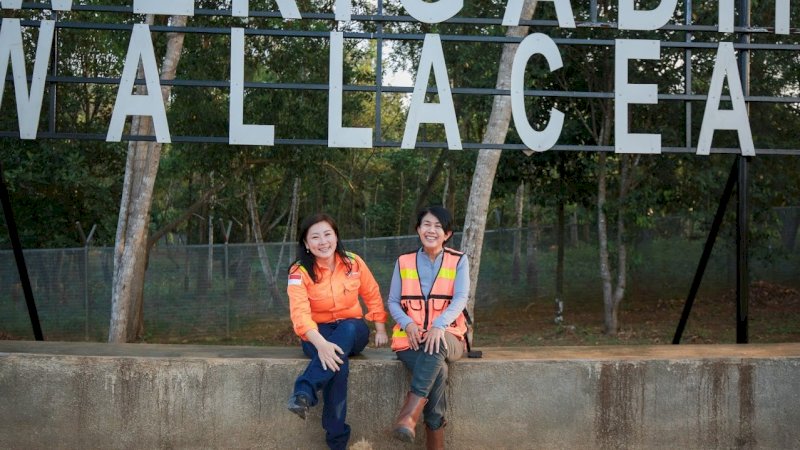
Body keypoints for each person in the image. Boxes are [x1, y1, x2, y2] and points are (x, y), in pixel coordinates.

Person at [286, 213, 388, 450]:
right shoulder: (298, 271)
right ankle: (337, 443)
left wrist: (380, 327)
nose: (323, 241)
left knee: (349, 328)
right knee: (337, 365)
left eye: (327, 234)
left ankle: (304, 390)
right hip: (315, 334)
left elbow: (371, 293)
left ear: (336, 236)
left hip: (354, 330)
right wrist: (321, 344)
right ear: (306, 243)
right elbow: (300, 313)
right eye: (315, 237)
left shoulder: (353, 262)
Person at [388, 206, 469, 449]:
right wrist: (408, 323)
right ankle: (432, 440)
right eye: (426, 224)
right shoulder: (404, 261)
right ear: (418, 230)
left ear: (447, 234)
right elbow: (392, 301)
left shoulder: (459, 260)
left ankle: (409, 415)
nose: (431, 230)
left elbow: (461, 298)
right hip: (410, 342)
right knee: (439, 372)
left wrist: (439, 326)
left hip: (449, 337)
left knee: (438, 343)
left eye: (438, 226)